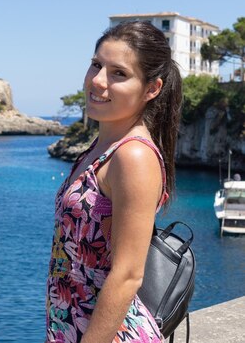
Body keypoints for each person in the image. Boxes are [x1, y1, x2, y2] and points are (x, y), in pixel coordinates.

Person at [45, 21, 182, 343]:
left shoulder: (133, 157)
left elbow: (128, 275)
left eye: (118, 73)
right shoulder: (100, 149)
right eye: (96, 65)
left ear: (152, 89)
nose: (97, 81)